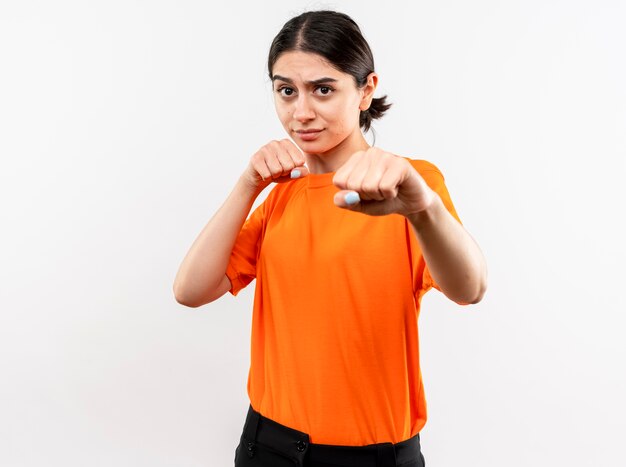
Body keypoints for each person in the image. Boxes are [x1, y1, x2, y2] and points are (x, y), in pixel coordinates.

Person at [173, 9, 487, 467]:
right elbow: (190, 291)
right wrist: (247, 184)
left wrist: (424, 209)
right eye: (286, 91)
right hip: (269, 445)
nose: (301, 112)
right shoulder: (281, 198)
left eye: (323, 89)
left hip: (375, 456)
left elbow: (470, 288)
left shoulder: (410, 184)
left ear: (366, 90)